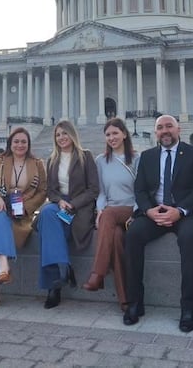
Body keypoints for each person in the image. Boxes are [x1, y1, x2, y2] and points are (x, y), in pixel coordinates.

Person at [123, 114, 193, 333]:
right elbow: (140, 189)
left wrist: (179, 211)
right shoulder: (148, 156)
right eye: (160, 128)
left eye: (169, 126)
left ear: (178, 129)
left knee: (190, 240)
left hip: (185, 213)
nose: (165, 131)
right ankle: (134, 302)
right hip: (155, 212)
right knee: (132, 236)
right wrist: (149, 210)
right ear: (156, 132)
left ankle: (188, 308)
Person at [0, 127, 47, 310]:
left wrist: (27, 207)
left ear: (28, 144)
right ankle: (3, 266)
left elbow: (42, 192)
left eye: (23, 142)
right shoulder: (2, 161)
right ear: (10, 143)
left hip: (20, 214)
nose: (19, 145)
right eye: (16, 141)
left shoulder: (37, 163)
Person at [36, 120, 99, 309]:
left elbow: (93, 189)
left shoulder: (85, 156)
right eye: (58, 135)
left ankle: (53, 287)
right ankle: (63, 267)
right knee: (47, 212)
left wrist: (73, 203)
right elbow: (50, 191)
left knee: (48, 229)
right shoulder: (52, 159)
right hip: (60, 205)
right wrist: (59, 201)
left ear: (72, 135)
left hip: (79, 207)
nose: (61, 138)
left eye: (64, 133)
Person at [83, 117, 139, 310]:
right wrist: (100, 210)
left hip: (130, 209)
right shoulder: (101, 161)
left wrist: (137, 213)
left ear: (124, 134)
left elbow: (141, 191)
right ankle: (125, 299)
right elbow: (101, 193)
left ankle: (98, 273)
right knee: (115, 239)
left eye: (115, 133)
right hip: (110, 212)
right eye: (108, 134)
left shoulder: (137, 159)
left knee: (108, 215)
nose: (112, 137)